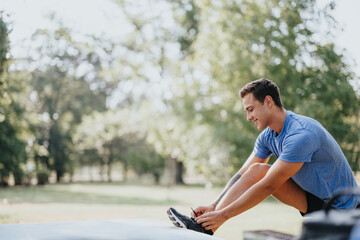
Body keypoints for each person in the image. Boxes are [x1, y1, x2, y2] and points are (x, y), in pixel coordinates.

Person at [167, 78, 360, 235]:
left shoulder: (301, 135)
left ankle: (209, 224)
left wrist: (223, 215)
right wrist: (214, 206)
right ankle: (206, 228)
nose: (248, 117)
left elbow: (269, 185)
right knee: (257, 170)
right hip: (316, 201)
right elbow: (243, 174)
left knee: (265, 177)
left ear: (268, 102)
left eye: (250, 109)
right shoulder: (267, 136)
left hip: (346, 209)